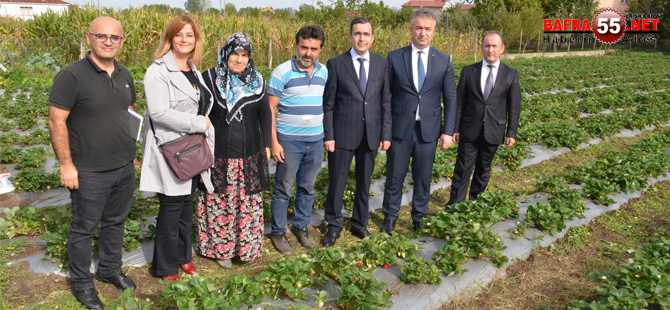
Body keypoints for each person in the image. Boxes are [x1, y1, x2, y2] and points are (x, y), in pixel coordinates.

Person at [48, 16, 137, 309]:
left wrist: (131, 152)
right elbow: (56, 120)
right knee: (83, 228)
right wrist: (66, 164)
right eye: (102, 36)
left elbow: (128, 112)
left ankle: (109, 269)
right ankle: (83, 283)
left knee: (116, 221)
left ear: (122, 42)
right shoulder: (71, 76)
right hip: (88, 170)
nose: (108, 41)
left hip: (123, 167)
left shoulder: (125, 74)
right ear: (89, 38)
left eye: (115, 37)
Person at [139, 15, 214, 282]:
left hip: (191, 150)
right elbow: (159, 113)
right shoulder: (157, 70)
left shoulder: (193, 69)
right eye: (179, 35)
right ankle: (165, 265)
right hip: (171, 151)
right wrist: (198, 124)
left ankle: (183, 257)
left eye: (190, 35)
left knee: (185, 208)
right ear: (170, 38)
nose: (185, 40)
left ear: (196, 41)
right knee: (170, 211)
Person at [197, 33, 272, 269]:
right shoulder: (210, 79)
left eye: (244, 55)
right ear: (225, 54)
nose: (239, 60)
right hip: (219, 156)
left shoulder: (256, 80)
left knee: (248, 203)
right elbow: (200, 112)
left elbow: (265, 114)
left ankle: (246, 249)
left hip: (248, 155)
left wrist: (267, 144)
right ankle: (221, 250)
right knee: (220, 202)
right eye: (235, 54)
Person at [380, 8, 457, 234]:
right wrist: (385, 131)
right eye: (419, 28)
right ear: (411, 30)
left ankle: (419, 217)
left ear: (434, 32)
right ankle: (390, 217)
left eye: (428, 29)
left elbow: (451, 98)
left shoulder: (443, 60)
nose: (423, 33)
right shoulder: (395, 57)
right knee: (395, 176)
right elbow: (385, 97)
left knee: (423, 177)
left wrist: (448, 131)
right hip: (400, 130)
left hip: (428, 131)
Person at [321, 17, 391, 247]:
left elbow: (384, 102)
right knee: (337, 181)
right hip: (342, 134)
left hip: (371, 134)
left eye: (366, 34)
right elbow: (328, 103)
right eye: (357, 33)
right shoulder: (336, 63)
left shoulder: (381, 64)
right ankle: (334, 225)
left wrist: (385, 134)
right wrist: (329, 134)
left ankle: (359, 224)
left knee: (364, 182)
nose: (362, 38)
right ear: (350, 36)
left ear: (372, 38)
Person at [268, 25, 328, 255]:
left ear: (320, 49)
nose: (308, 53)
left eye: (313, 49)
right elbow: (270, 109)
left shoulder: (324, 72)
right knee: (283, 188)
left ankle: (301, 227)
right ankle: (278, 231)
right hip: (289, 141)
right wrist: (274, 142)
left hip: (314, 140)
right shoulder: (281, 72)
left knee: (308, 187)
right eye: (304, 47)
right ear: (296, 45)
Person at [446, 31, 521, 208]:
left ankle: (475, 204)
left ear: (502, 49)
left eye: (494, 46)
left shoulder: (511, 74)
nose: (490, 50)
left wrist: (511, 132)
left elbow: (514, 106)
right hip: (469, 130)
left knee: (483, 170)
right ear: (481, 48)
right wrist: (455, 128)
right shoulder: (469, 71)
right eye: (487, 45)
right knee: (462, 169)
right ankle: (454, 207)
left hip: (494, 130)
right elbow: (460, 102)